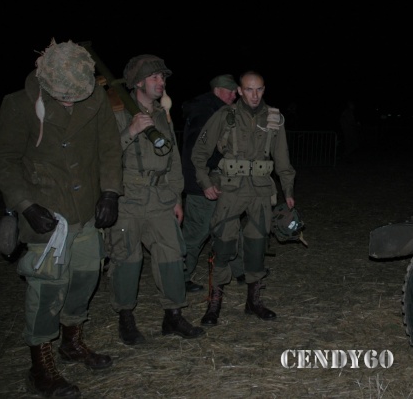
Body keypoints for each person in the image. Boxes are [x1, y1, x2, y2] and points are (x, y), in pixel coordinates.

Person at [0, 39, 123, 398]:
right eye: (63, 96)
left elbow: (110, 147)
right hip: (45, 213)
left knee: (85, 277)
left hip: (86, 211)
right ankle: (40, 364)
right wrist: (25, 204)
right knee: (47, 287)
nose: (70, 101)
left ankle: (71, 342)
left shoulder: (94, 99)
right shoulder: (19, 106)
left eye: (75, 95)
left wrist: (110, 191)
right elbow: (3, 159)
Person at [106, 54, 204, 346]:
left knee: (172, 256)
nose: (161, 82)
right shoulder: (116, 112)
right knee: (126, 259)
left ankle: (172, 316)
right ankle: (126, 318)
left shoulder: (162, 115)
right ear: (137, 82)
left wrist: (177, 198)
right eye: (154, 77)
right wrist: (130, 131)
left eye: (163, 78)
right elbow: (104, 155)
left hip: (161, 198)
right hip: (128, 198)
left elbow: (172, 160)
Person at [192, 70, 296, 324]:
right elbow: (199, 153)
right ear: (239, 90)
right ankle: (214, 303)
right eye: (249, 89)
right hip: (230, 188)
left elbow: (282, 158)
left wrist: (289, 191)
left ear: (264, 90)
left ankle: (254, 301)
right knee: (224, 244)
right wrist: (205, 182)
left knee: (257, 245)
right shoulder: (224, 115)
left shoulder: (274, 118)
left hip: (261, 190)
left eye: (259, 89)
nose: (254, 95)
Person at [181, 74, 245, 294]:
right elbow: (195, 153)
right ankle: (180, 276)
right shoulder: (204, 113)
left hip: (221, 181)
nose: (235, 96)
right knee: (196, 233)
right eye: (231, 92)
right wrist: (204, 183)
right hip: (203, 185)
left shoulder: (220, 111)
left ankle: (241, 270)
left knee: (230, 225)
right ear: (218, 90)